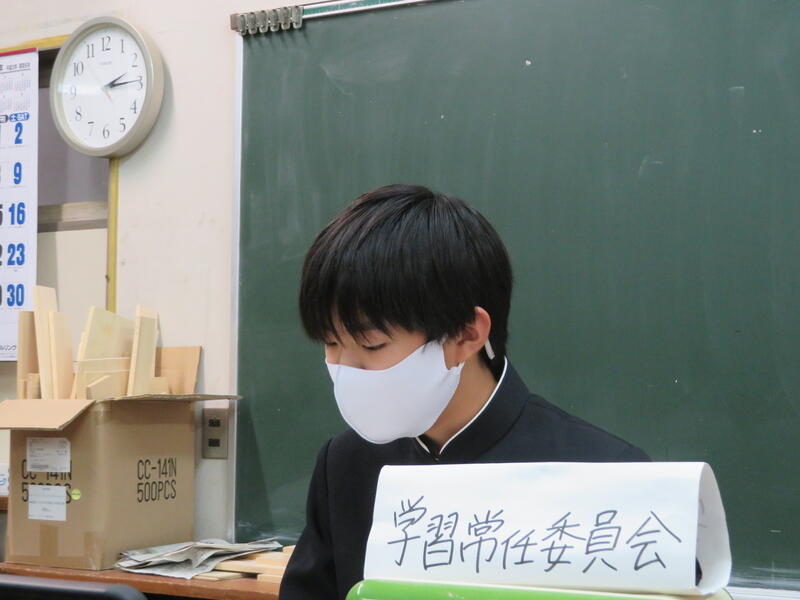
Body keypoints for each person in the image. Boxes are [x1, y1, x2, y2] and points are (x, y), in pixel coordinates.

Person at [279, 184, 649, 600]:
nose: (347, 369)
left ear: (467, 334)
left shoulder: (607, 475)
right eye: (331, 343)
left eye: (372, 345)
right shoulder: (346, 463)